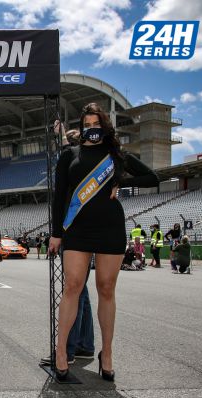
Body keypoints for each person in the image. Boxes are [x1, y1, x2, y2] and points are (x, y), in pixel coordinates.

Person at [49, 102, 158, 381]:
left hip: (110, 227)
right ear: (82, 127)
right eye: (87, 125)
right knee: (73, 286)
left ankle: (106, 353)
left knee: (107, 289)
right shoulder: (70, 154)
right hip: (77, 229)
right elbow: (59, 196)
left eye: (96, 124)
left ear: (105, 126)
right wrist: (56, 233)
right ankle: (61, 351)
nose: (92, 129)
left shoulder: (116, 155)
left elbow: (152, 177)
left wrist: (121, 182)